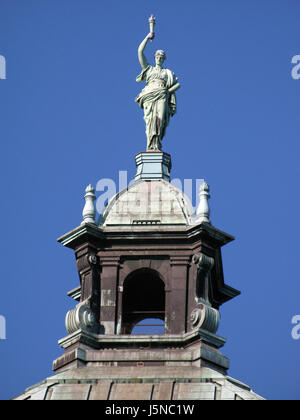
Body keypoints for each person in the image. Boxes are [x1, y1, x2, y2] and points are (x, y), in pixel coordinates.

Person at [135, 32, 180, 151]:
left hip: (162, 95)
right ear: (154, 58)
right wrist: (147, 37)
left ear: (164, 59)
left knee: (161, 119)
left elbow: (177, 85)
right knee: (150, 120)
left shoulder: (167, 73)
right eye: (157, 57)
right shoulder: (149, 69)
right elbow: (140, 52)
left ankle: (157, 143)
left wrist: (167, 90)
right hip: (150, 95)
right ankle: (151, 144)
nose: (159, 58)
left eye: (161, 57)